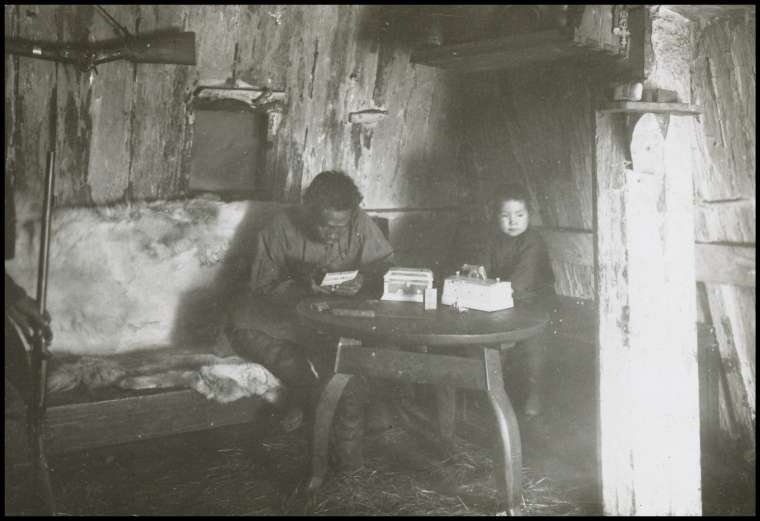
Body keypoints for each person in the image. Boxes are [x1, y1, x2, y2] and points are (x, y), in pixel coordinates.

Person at [225, 170, 394, 469]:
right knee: (240, 325)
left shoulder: (360, 223)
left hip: (340, 319)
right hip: (292, 314)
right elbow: (262, 285)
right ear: (308, 211)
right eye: (326, 225)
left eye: (341, 227)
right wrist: (303, 288)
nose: (334, 234)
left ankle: (348, 465)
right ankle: (304, 386)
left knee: (347, 372)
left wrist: (364, 282)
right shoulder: (279, 227)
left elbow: (385, 269)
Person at [458, 182, 555, 417]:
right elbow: (482, 265)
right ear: (496, 217)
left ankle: (536, 392)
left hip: (533, 302)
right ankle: (490, 392)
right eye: (506, 215)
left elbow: (523, 282)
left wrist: (493, 291)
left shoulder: (533, 242)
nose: (513, 221)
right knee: (479, 337)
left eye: (519, 215)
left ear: (529, 215)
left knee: (534, 345)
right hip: (502, 300)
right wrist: (476, 270)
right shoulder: (492, 239)